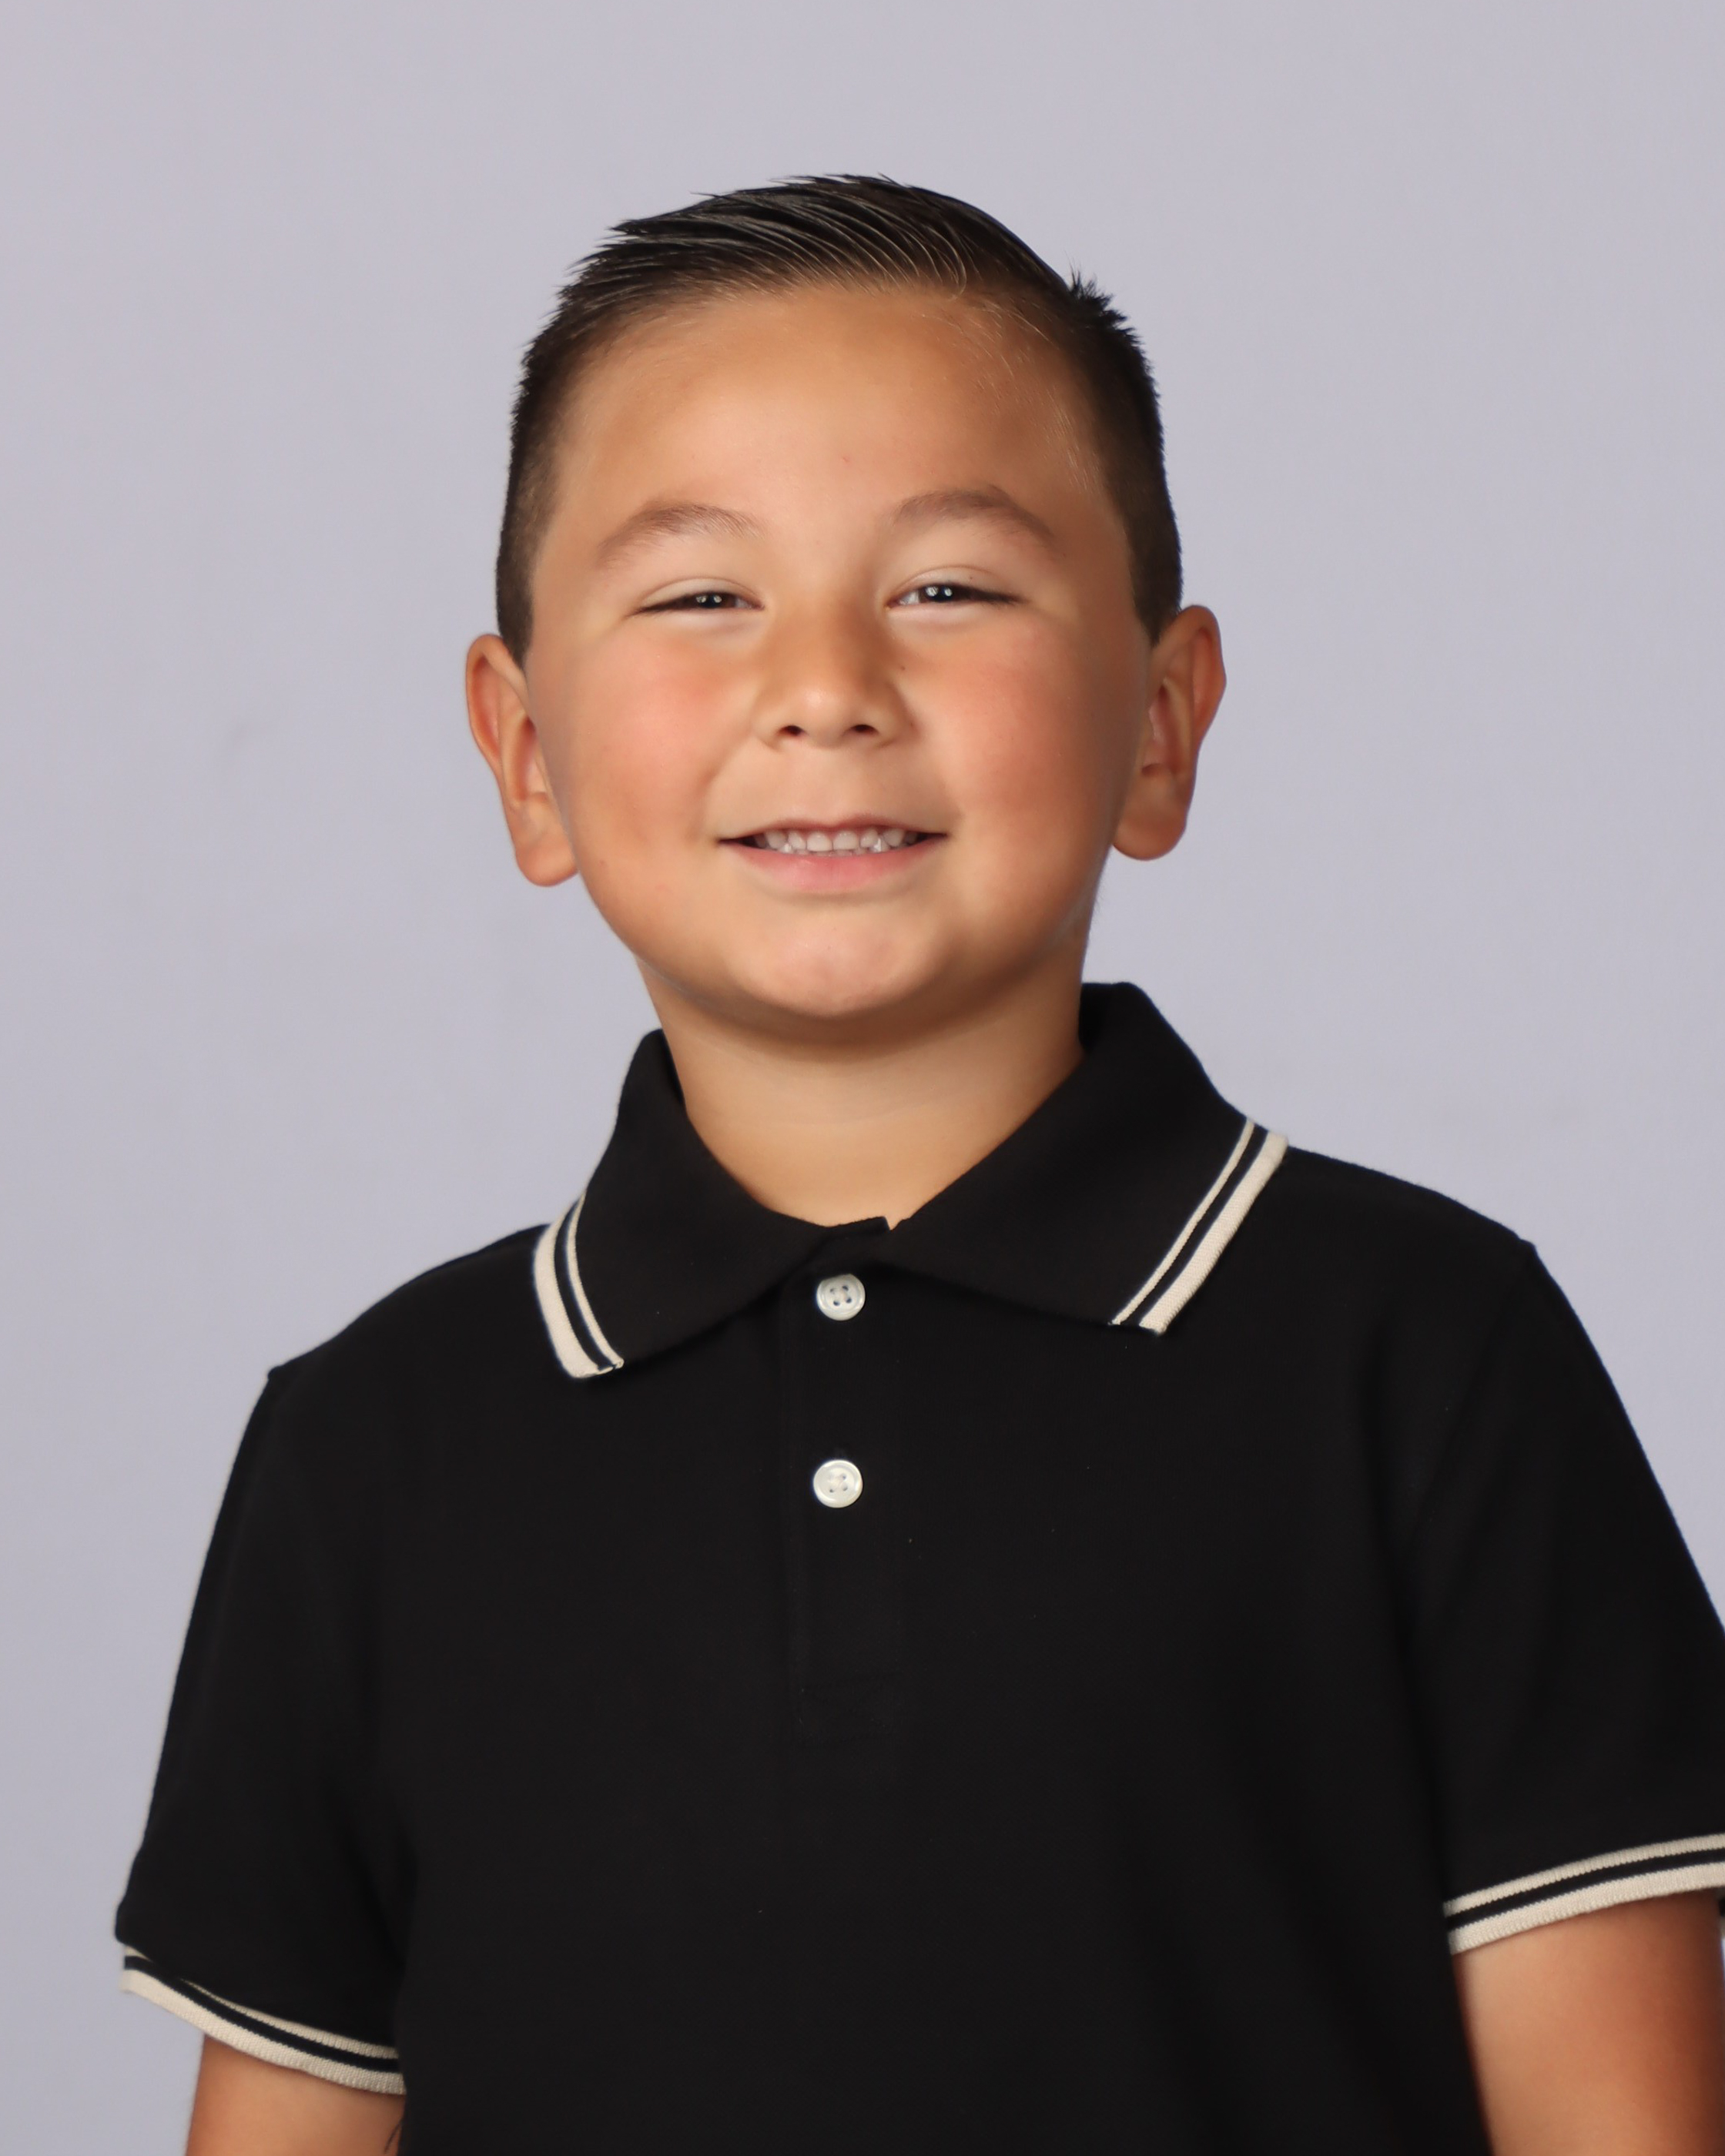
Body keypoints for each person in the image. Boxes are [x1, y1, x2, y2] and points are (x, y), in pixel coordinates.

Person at [116, 177, 1725, 2155]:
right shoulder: (370, 1445)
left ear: (1160, 719)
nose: (827, 685)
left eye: (948, 588)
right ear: (525, 754)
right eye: (700, 595)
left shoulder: (1424, 1353)